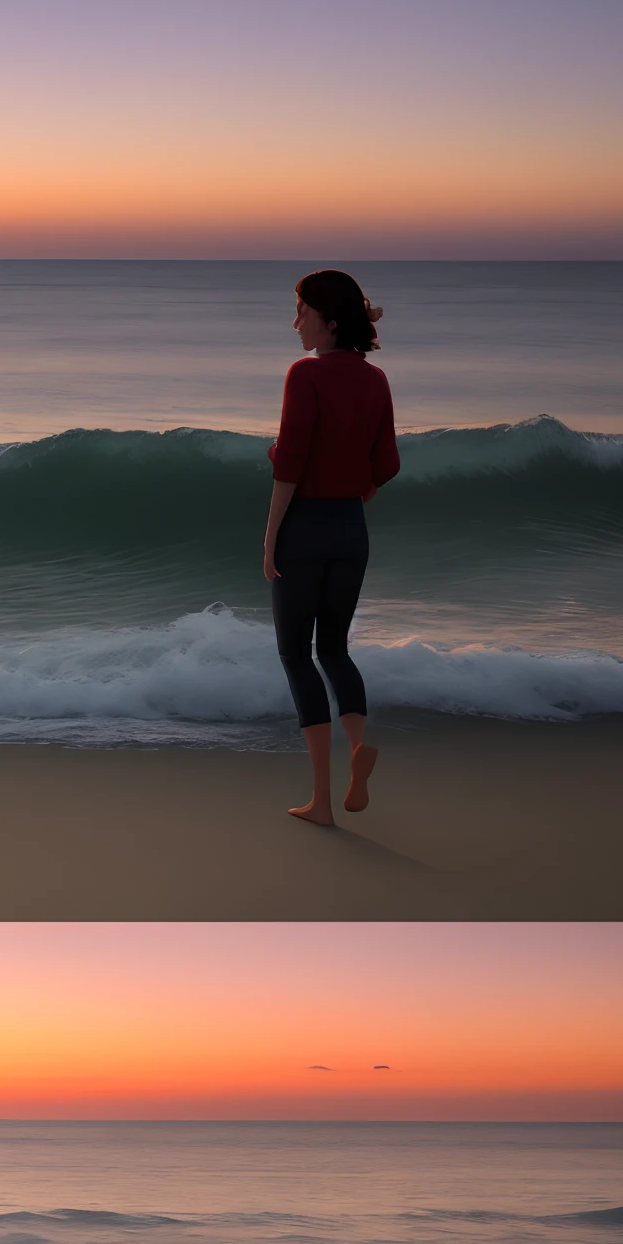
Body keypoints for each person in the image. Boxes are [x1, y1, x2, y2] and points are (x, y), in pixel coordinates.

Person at [262, 268, 400, 827]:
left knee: (296, 655)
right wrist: (355, 492)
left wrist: (270, 538)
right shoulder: (377, 379)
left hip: (305, 529)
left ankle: (321, 800)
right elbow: (385, 465)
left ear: (330, 322)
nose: (295, 322)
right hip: (351, 530)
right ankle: (359, 748)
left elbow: (290, 464)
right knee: (335, 649)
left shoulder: (305, 374)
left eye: (302, 312)